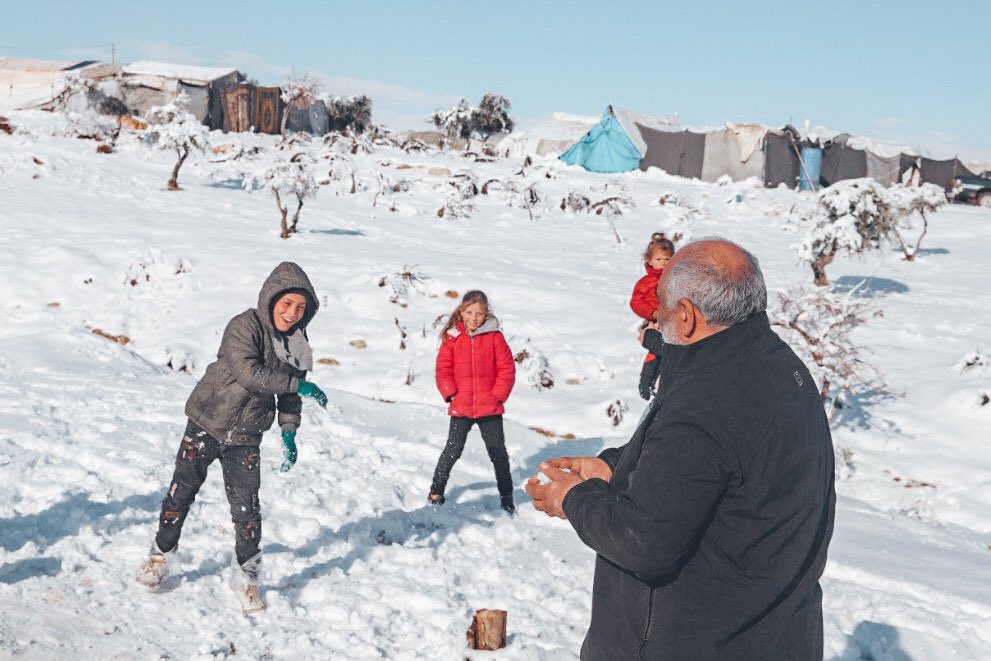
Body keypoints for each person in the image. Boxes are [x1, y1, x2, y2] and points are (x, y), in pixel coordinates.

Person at [526, 239, 836, 660]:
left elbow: (642, 541)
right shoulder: (783, 368)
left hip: (696, 641)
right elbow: (711, 473)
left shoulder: (706, 402)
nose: (656, 316)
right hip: (775, 635)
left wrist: (573, 498)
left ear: (687, 316)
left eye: (662, 306)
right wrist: (612, 467)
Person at [136, 262, 329, 612]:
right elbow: (249, 373)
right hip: (207, 420)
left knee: (247, 510)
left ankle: (247, 577)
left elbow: (289, 394)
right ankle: (159, 556)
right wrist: (297, 383)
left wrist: (289, 430)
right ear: (271, 299)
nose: (292, 313)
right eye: (286, 304)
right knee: (181, 494)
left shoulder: (298, 342)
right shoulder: (245, 325)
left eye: (301, 307)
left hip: (247, 434)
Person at [430, 290, 517, 513]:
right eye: (469, 312)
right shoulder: (452, 338)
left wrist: (497, 395)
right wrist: (451, 393)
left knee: (498, 453)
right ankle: (436, 491)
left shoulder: (495, 337)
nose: (474, 317)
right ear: (461, 311)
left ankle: (507, 497)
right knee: (453, 449)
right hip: (462, 406)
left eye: (479, 313)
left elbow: (507, 368)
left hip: (490, 407)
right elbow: (443, 369)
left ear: (486, 313)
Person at [630, 232, 675, 400]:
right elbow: (636, 302)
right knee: (655, 353)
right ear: (649, 260)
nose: (663, 263)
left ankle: (664, 388)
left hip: (673, 323)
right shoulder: (645, 282)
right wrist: (652, 313)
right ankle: (646, 382)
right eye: (659, 260)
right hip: (655, 322)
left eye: (667, 259)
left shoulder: (675, 279)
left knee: (668, 355)